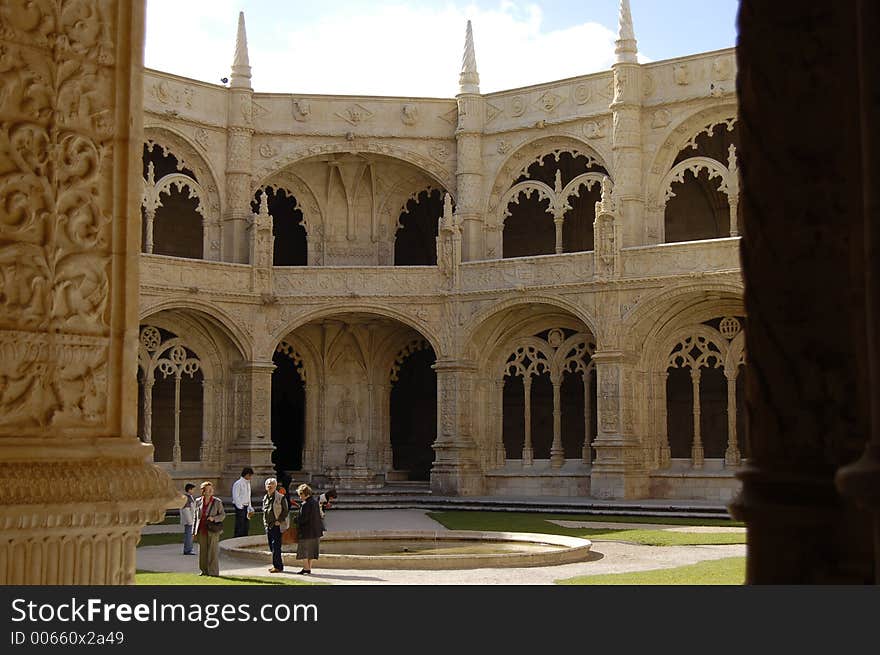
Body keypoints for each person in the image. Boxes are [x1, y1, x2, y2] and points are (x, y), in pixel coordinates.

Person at [192, 481, 225, 576]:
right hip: (201, 529)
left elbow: (222, 515)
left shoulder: (217, 502)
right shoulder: (198, 501)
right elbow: (195, 517)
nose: (211, 491)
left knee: (212, 552)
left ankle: (213, 572)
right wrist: (194, 531)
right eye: (208, 489)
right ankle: (204, 571)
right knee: (202, 552)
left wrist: (214, 518)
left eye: (212, 489)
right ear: (203, 491)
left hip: (212, 530)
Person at [262, 477, 289, 573]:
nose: (270, 486)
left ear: (275, 486)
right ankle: (276, 564)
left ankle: (278, 566)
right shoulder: (265, 498)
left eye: (272, 484)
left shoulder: (280, 497)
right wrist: (265, 523)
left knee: (276, 546)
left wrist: (280, 520)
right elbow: (264, 512)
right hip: (268, 525)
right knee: (271, 545)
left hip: (277, 525)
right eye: (268, 485)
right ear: (265, 487)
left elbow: (285, 511)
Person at [295, 483, 323, 575]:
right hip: (316, 531)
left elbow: (303, 519)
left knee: (304, 550)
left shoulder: (306, 504)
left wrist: (296, 519)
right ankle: (308, 567)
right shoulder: (315, 502)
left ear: (305, 494)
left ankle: (306, 568)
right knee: (311, 551)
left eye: (301, 495)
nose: (300, 497)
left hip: (306, 531)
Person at [231, 467, 254, 538]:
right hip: (240, 507)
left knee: (246, 525)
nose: (250, 477)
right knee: (240, 525)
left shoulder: (248, 483)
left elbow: (248, 495)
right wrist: (240, 506)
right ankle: (237, 539)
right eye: (250, 475)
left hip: (246, 506)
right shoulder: (238, 483)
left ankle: (245, 538)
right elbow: (235, 496)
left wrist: (250, 506)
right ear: (246, 474)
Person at [180, 483, 196, 555]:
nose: (194, 491)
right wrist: (190, 521)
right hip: (189, 521)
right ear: (189, 490)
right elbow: (186, 510)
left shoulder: (190, 497)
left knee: (189, 535)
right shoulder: (186, 498)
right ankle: (188, 550)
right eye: (193, 489)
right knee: (189, 535)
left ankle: (188, 549)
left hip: (191, 520)